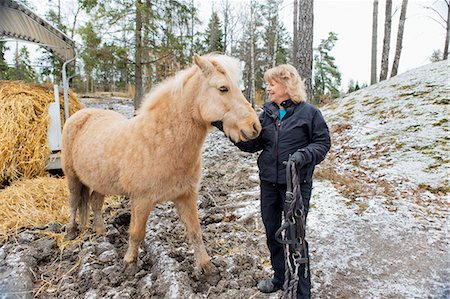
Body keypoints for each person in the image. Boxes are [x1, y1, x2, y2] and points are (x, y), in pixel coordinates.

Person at [214, 64, 330, 298]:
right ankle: (280, 278)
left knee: (295, 236)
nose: (268, 89)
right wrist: (223, 127)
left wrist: (303, 156)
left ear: (287, 85)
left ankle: (301, 291)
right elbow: (253, 145)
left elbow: (322, 144)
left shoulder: (310, 114)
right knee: (272, 232)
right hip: (269, 182)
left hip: (296, 186)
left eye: (272, 84)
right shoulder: (267, 114)